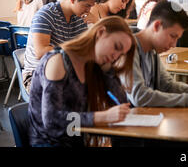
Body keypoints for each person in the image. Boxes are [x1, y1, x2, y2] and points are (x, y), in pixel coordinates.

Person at [28, 16, 135, 147]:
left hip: (76, 140)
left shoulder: (92, 64)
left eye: (121, 55)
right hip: (49, 143)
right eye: (116, 47)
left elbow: (120, 103)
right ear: (100, 32)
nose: (115, 56)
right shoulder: (58, 61)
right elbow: (51, 121)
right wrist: (102, 117)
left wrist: (108, 71)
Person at [122, 0, 188, 108]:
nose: (174, 45)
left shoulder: (152, 50)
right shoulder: (127, 48)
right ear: (157, 26)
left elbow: (167, 85)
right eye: (172, 36)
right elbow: (140, 97)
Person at [23, 0, 101, 92]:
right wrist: (76, 51)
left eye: (91, 6)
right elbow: (41, 52)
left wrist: (98, 23)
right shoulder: (46, 14)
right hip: (37, 74)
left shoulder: (80, 18)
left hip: (66, 71)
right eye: (87, 5)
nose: (89, 10)